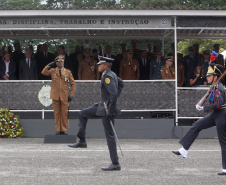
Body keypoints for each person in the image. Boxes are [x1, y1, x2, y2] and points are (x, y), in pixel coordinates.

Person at [68, 57, 124, 171]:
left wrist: (110, 108)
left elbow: (113, 94)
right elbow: (121, 84)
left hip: (107, 109)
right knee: (82, 113)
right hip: (102, 106)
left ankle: (115, 163)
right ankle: (82, 141)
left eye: (100, 64)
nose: (98, 66)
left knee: (110, 136)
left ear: (106, 66)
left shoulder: (108, 76)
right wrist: (107, 101)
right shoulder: (111, 74)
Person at [172, 63, 226, 175]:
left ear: (215, 77)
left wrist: (203, 108)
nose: (207, 77)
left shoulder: (219, 87)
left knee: (223, 142)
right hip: (215, 115)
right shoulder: (215, 86)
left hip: (222, 115)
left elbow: (218, 105)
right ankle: (184, 149)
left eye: (209, 75)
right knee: (197, 126)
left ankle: (225, 168)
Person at [41, 55, 76, 135]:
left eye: (62, 61)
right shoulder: (53, 71)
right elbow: (43, 72)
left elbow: (73, 84)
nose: (61, 62)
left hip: (64, 95)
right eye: (59, 61)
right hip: (55, 95)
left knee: (64, 113)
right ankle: (58, 130)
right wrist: (49, 64)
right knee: (56, 113)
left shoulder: (67, 72)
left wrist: (71, 94)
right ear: (56, 63)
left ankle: (63, 129)